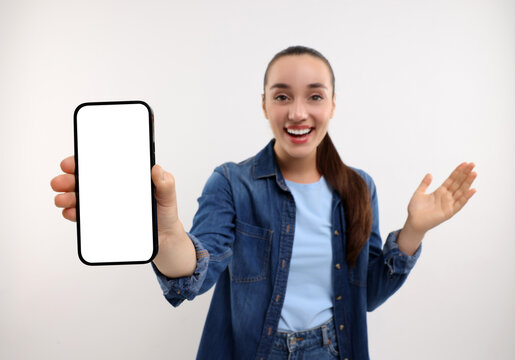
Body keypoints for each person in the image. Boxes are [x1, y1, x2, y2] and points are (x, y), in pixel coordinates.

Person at [50, 45, 477, 360]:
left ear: (332, 104)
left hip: (335, 350)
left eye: (314, 95)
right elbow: (195, 271)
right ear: (264, 104)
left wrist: (414, 231)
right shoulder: (233, 183)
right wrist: (165, 233)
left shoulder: (358, 187)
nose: (297, 113)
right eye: (281, 96)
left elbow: (368, 294)